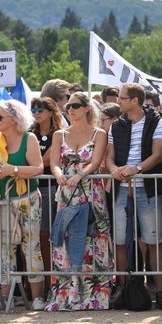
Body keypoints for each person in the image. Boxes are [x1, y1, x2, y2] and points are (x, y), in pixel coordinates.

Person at [45, 92, 113, 311]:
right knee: (66, 240)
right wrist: (58, 175)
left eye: (75, 105)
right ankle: (67, 294)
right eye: (68, 106)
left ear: (86, 108)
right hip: (67, 194)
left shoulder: (99, 133)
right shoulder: (59, 134)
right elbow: (54, 162)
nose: (70, 109)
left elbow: (95, 162)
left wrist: (81, 174)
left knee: (94, 239)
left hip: (91, 192)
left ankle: (95, 296)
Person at [106, 83, 162, 310]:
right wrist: (114, 170)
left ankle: (160, 291)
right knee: (120, 241)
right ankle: (124, 289)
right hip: (122, 189)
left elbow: (158, 154)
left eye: (122, 98)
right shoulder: (116, 125)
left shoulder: (157, 122)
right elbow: (109, 157)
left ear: (134, 100)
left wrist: (137, 169)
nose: (118, 102)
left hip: (148, 188)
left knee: (154, 241)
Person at [0, 100, 45, 310]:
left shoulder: (29, 139)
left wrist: (12, 170)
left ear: (14, 119)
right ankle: (6, 299)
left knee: (31, 247)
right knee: (4, 248)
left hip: (27, 199)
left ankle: (37, 297)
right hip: (0, 201)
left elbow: (38, 168)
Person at [31, 96, 64, 277]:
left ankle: (49, 280)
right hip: (29, 187)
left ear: (51, 112)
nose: (36, 113)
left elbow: (45, 161)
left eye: (40, 110)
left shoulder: (58, 134)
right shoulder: (30, 133)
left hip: (49, 187)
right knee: (31, 237)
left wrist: (29, 166)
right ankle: (34, 281)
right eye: (33, 110)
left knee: (46, 235)